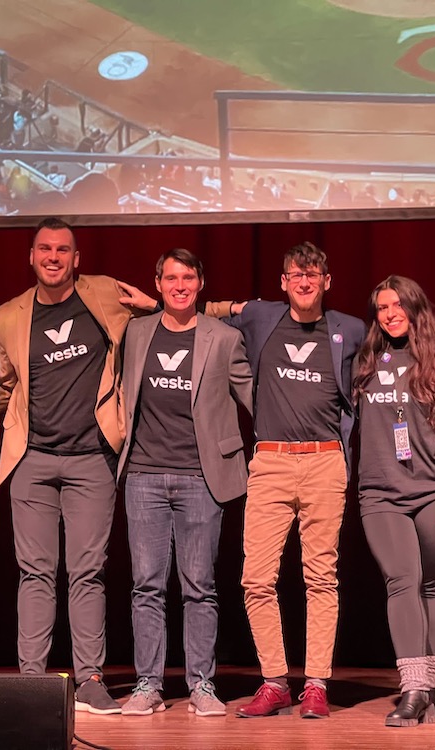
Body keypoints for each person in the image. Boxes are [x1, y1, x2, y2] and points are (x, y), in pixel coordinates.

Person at [0, 218, 236, 714]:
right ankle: (32, 681)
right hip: (33, 459)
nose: (54, 257)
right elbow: (3, 383)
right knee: (34, 573)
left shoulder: (102, 295)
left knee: (88, 573)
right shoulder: (9, 314)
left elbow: (173, 305)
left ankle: (89, 679)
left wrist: (230, 309)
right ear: (31, 256)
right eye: (44, 249)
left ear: (77, 258)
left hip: (93, 458)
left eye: (64, 249)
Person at [229, 242, 365, 719]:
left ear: (327, 281)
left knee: (319, 577)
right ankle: (274, 681)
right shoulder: (261, 319)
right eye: (295, 274)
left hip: (326, 462)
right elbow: (200, 316)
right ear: (283, 282)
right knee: (256, 578)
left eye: (313, 274)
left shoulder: (349, 330)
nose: (304, 282)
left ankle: (316, 685)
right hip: (270, 461)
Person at [117, 249, 252, 717]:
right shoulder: (135, 333)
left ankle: (201, 685)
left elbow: (253, 395)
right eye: (171, 278)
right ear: (157, 284)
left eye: (188, 277)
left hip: (202, 478)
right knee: (147, 586)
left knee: (200, 585)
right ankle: (148, 685)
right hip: (144, 477)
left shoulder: (225, 338)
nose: (179, 285)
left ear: (200, 283)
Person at [352, 275, 435, 727]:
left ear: (416, 308)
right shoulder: (364, 362)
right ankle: (413, 688)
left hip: (434, 492)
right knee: (402, 581)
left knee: (433, 586)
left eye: (398, 304)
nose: (390, 313)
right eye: (382, 307)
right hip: (380, 493)